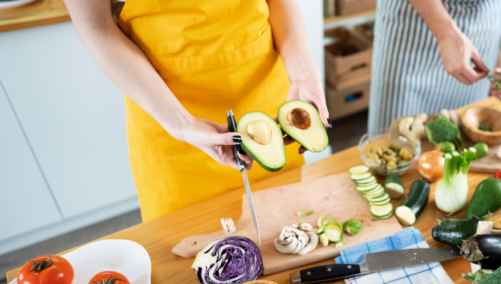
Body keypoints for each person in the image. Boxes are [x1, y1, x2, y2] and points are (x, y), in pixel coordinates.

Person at [64, 0, 330, 221]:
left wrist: (304, 76)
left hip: (263, 93)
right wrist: (180, 123)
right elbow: (95, 26)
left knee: (290, 224)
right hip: (167, 111)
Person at [368, 0, 501, 132]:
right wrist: (445, 32)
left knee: (464, 132)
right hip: (414, 19)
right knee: (390, 141)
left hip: (483, 20)